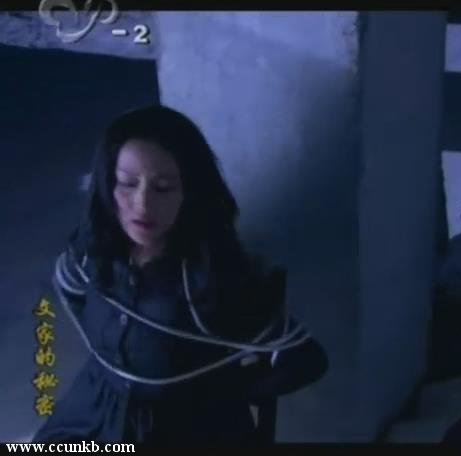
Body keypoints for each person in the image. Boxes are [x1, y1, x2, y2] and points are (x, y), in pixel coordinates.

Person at [32, 105, 328, 445]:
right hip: (95, 412)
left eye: (163, 188)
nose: (142, 205)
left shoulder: (211, 283)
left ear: (191, 192)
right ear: (106, 184)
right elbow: (72, 292)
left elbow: (306, 360)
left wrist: (223, 393)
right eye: (127, 183)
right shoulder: (94, 254)